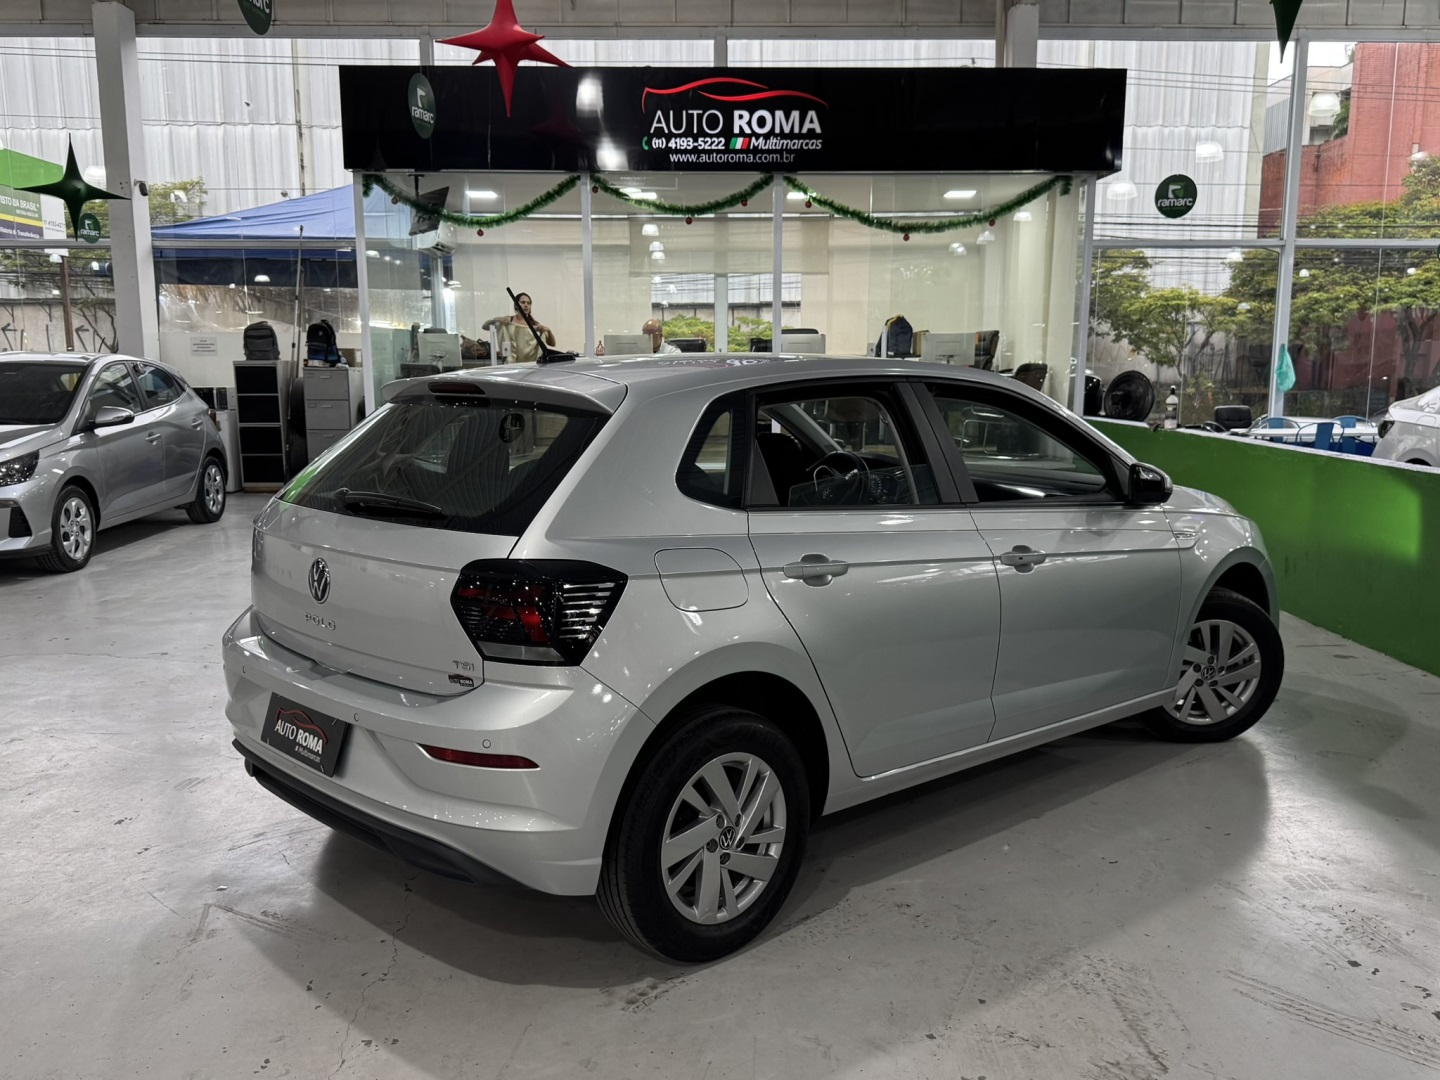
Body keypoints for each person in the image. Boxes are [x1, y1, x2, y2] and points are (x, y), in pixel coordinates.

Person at [482, 292, 555, 364]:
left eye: (528, 303)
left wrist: (549, 331)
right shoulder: (509, 320)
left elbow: (552, 344)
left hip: (530, 364)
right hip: (511, 364)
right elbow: (485, 326)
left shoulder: (534, 324)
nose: (526, 305)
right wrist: (498, 319)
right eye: (523, 302)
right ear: (516, 305)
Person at [594, 318, 681, 356]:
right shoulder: (637, 347)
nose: (647, 339)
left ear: (660, 336)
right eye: (645, 335)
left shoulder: (671, 350)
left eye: (651, 336)